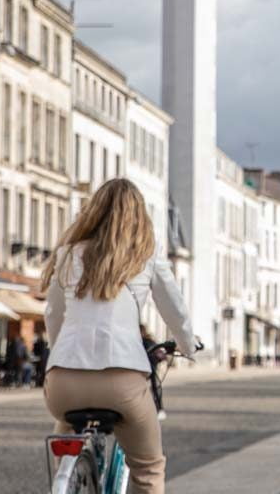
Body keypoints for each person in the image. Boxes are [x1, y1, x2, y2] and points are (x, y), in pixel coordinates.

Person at [42, 179, 198, 494]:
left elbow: (53, 315)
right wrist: (187, 345)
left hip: (63, 382)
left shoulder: (68, 253)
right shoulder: (146, 255)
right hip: (121, 379)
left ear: (93, 213)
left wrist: (62, 352)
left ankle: (66, 478)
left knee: (68, 430)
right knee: (148, 467)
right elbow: (174, 310)